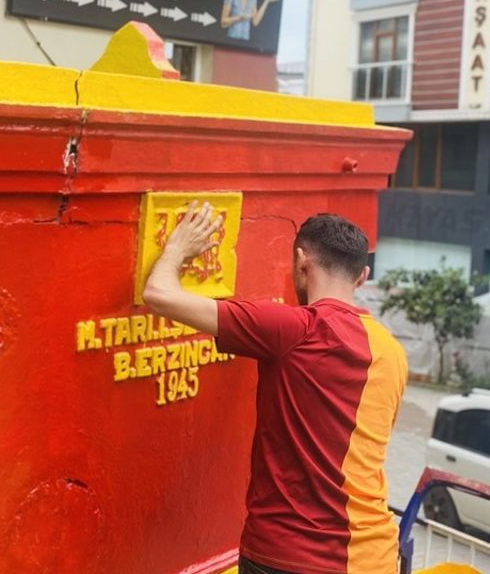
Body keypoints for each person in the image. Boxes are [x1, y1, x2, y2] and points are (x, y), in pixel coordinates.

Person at [143, 204, 407, 574]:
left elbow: (158, 294)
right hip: (376, 556)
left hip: (291, 556)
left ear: (301, 261)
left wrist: (179, 247)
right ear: (362, 276)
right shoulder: (392, 351)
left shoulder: (294, 329)